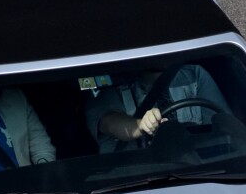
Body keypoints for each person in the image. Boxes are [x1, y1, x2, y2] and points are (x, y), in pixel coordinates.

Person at [85, 64, 226, 153]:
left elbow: (222, 128)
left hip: (196, 170)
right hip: (134, 178)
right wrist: (140, 125)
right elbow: (108, 123)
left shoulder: (193, 75)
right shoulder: (109, 86)